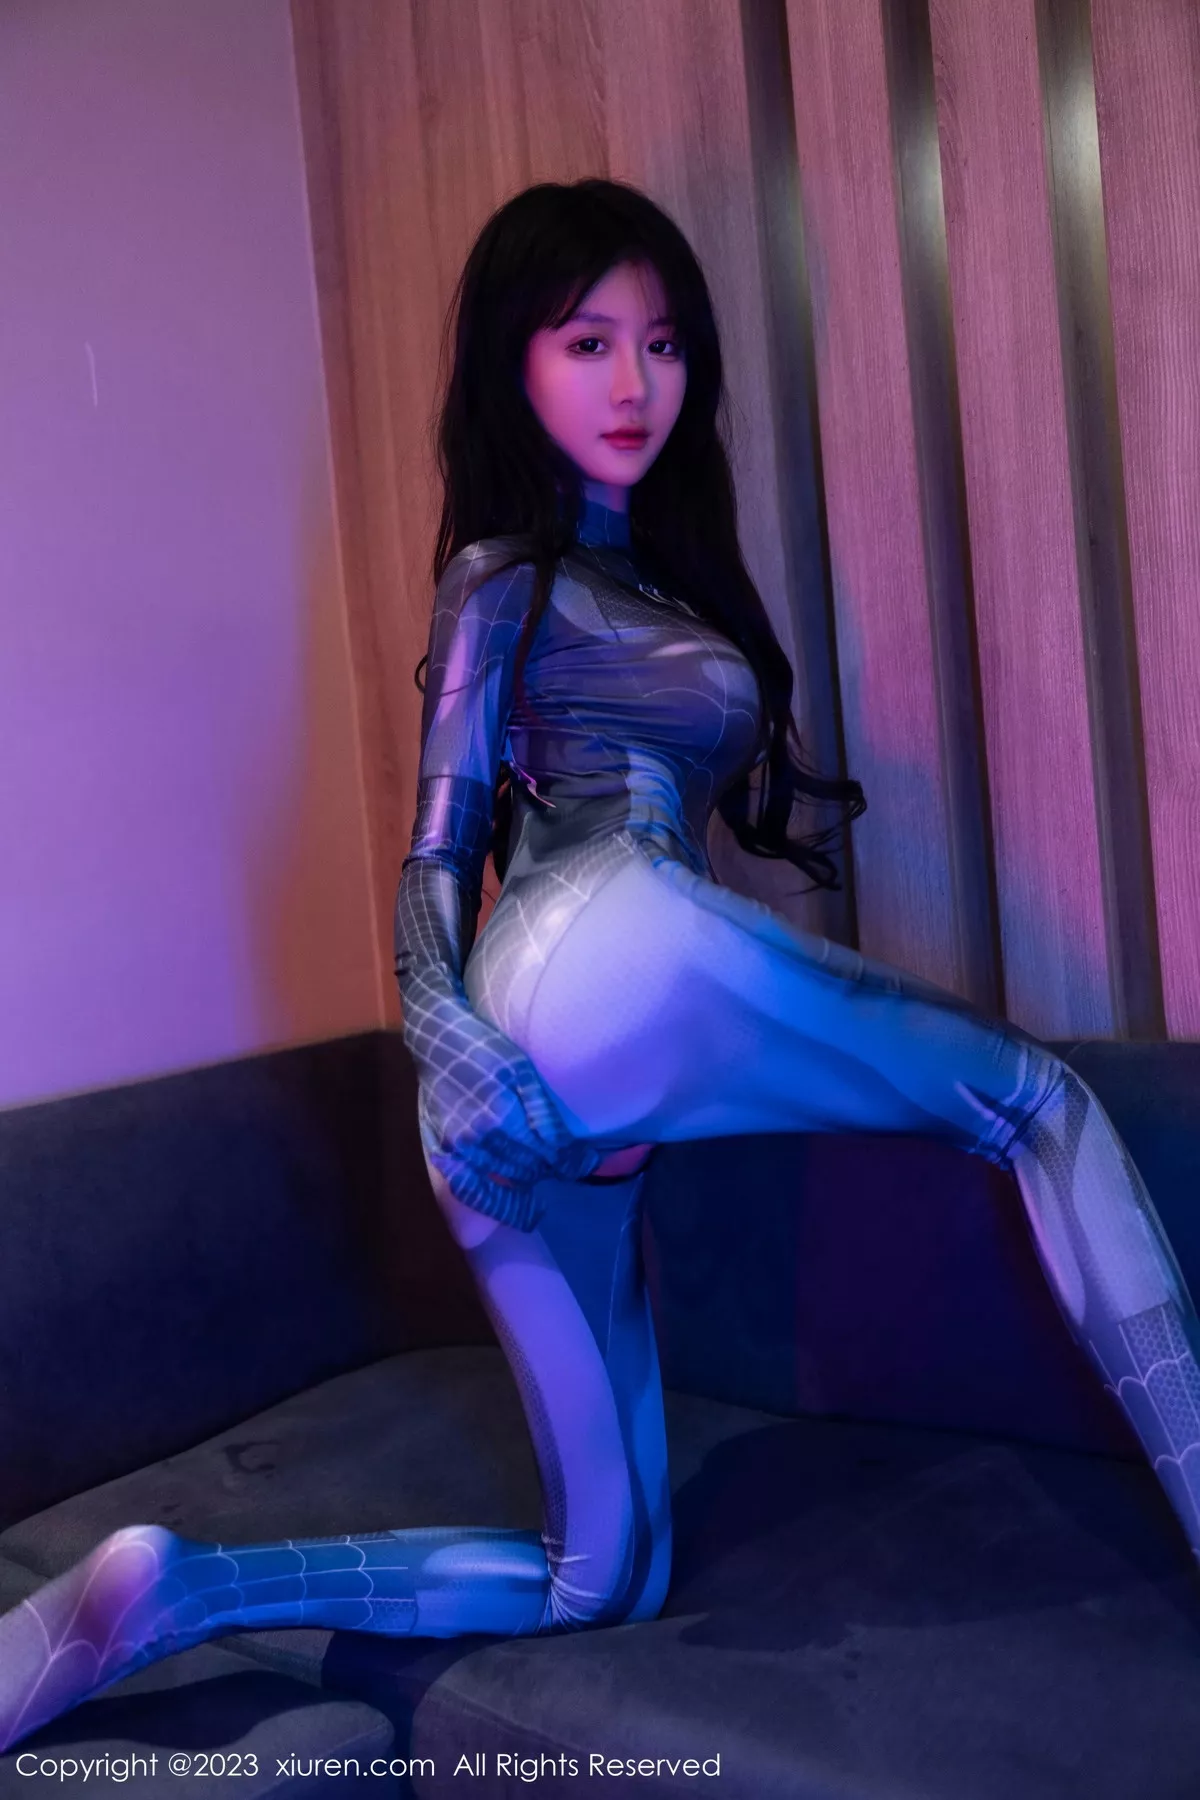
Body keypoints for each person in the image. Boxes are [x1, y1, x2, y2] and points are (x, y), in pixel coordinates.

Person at [2, 177, 1199, 1754]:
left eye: (665, 344)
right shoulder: (508, 573)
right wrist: (450, 1043)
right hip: (576, 957)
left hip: (540, 1032)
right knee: (1041, 1102)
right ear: (514, 360)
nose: (636, 383)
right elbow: (438, 849)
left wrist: (477, 1054)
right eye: (587, 342)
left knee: (601, 1578)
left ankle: (175, 1590)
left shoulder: (643, 579)